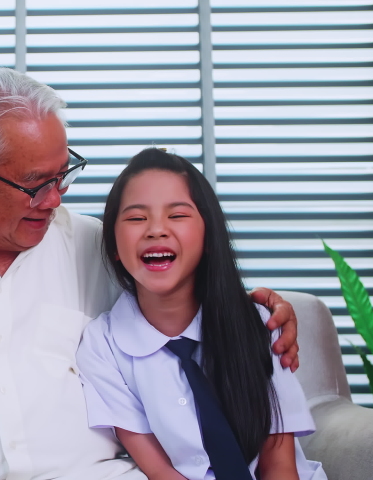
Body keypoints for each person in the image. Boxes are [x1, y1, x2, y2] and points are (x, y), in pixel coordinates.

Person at [0, 68, 300, 480]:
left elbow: (188, 297)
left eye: (63, 175)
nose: (55, 198)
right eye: (35, 184)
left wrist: (260, 308)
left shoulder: (96, 244)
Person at [76, 148, 325, 480]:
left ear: (208, 236)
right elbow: (160, 471)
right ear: (113, 247)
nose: (156, 230)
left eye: (177, 215)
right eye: (137, 218)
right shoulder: (101, 346)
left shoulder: (260, 323)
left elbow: (279, 465)